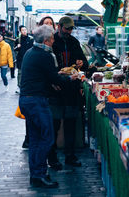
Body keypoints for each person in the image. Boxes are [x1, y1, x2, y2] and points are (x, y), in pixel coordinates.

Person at [19, 25, 77, 188]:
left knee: (36, 139)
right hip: (37, 101)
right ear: (46, 41)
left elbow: (43, 76)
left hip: (27, 100)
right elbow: (54, 78)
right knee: (46, 137)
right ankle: (39, 173)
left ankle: (36, 175)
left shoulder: (31, 52)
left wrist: (54, 78)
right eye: (52, 38)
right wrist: (71, 78)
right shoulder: (44, 55)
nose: (53, 41)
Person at [49, 16, 88, 167]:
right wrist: (52, 81)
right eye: (67, 28)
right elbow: (48, 67)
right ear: (59, 27)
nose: (69, 31)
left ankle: (70, 155)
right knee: (55, 124)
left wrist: (82, 63)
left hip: (71, 89)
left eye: (71, 29)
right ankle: (52, 158)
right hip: (57, 88)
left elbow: (84, 63)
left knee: (71, 123)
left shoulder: (74, 42)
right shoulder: (52, 42)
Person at [15, 25, 34, 94]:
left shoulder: (31, 39)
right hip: (20, 58)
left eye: (25, 30)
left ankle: (28, 86)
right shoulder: (18, 40)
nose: (24, 31)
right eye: (23, 30)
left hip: (29, 59)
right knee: (20, 73)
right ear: (20, 31)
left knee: (28, 73)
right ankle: (19, 86)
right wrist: (17, 47)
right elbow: (15, 49)